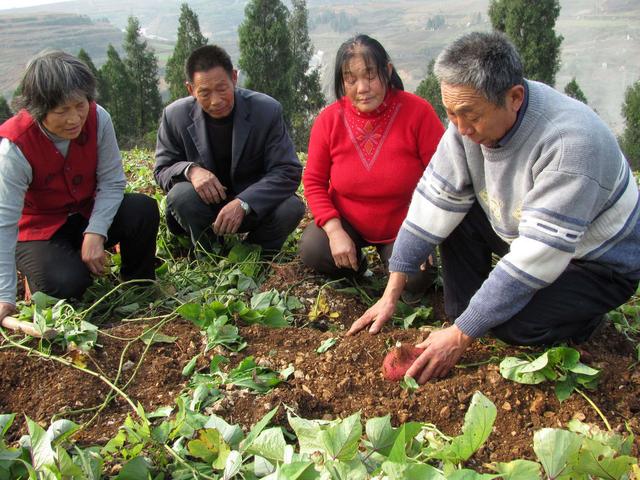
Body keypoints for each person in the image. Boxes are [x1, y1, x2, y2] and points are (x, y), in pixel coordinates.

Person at [349, 32, 640, 383]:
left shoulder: (570, 145)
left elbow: (537, 255)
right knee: (459, 233)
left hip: (597, 261)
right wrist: (391, 293)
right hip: (526, 228)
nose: (459, 128)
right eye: (451, 114)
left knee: (512, 324)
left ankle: (583, 318)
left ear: (514, 98)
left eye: (469, 116)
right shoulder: (468, 121)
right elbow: (435, 197)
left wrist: (460, 336)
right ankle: (467, 314)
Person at [0, 51, 159, 324]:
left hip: (86, 212)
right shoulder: (15, 148)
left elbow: (112, 181)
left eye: (80, 105)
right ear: (38, 110)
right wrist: (4, 296)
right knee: (67, 282)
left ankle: (137, 284)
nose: (74, 118)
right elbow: (4, 223)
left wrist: (96, 231)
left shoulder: (99, 119)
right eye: (62, 111)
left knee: (142, 209)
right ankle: (41, 273)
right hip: (40, 230)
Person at [300, 34, 444, 292]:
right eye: (350, 79)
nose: (361, 88)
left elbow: (443, 177)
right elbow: (313, 181)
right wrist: (334, 231)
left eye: (369, 75)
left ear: (387, 71)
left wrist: (423, 234)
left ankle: (396, 265)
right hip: (348, 220)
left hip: (405, 225)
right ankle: (356, 267)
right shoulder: (329, 121)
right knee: (314, 248)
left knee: (416, 279)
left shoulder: (418, 112)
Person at [154, 45, 304, 254]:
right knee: (181, 195)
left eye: (222, 88)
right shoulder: (175, 115)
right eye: (204, 93)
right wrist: (191, 171)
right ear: (190, 89)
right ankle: (209, 251)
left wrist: (244, 203)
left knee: (291, 207)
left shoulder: (266, 110)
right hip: (202, 209)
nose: (216, 101)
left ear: (234, 77)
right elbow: (162, 170)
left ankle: (251, 253)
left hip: (251, 207)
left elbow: (287, 170)